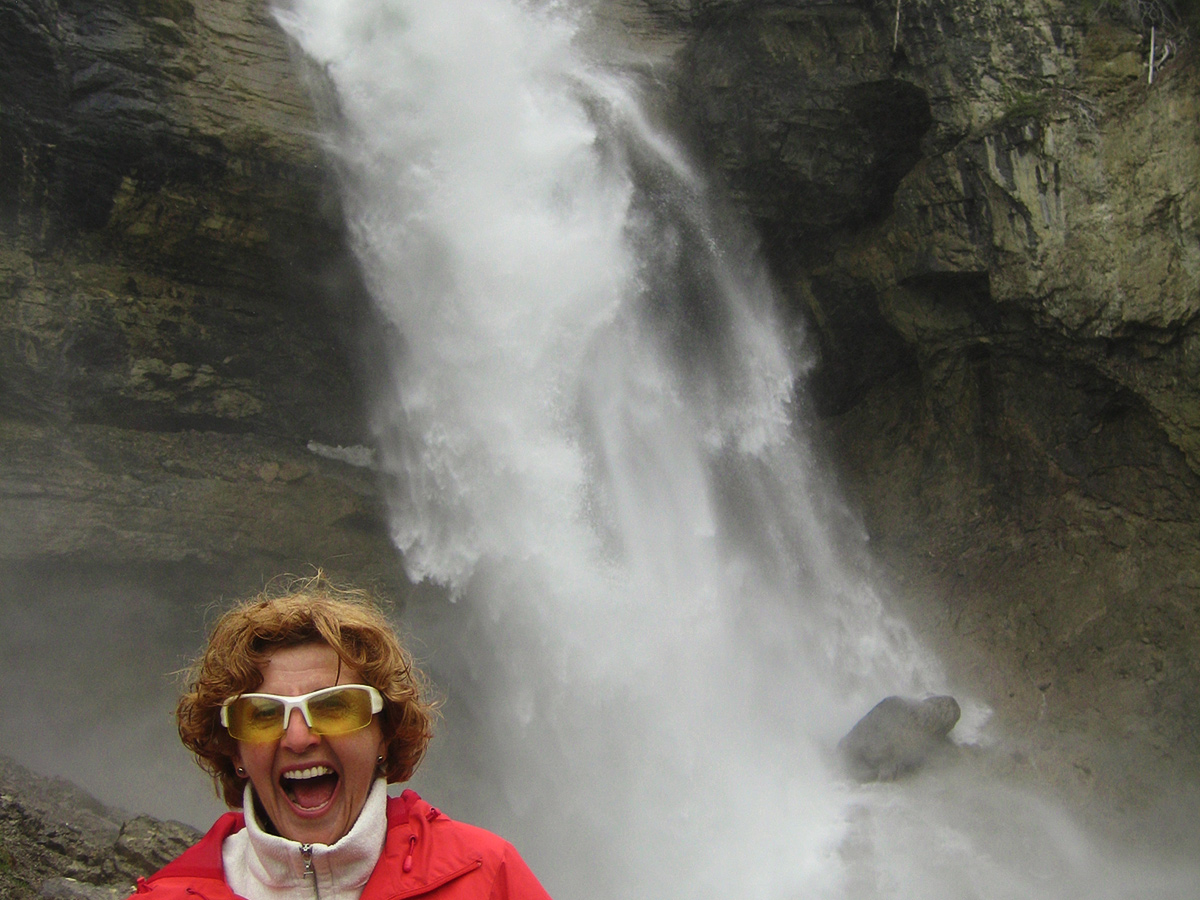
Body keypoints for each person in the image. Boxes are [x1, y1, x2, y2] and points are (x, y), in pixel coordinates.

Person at [128, 574, 553, 900]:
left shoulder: (486, 875)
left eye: (335, 707)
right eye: (261, 714)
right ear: (231, 748)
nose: (298, 738)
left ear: (385, 734)